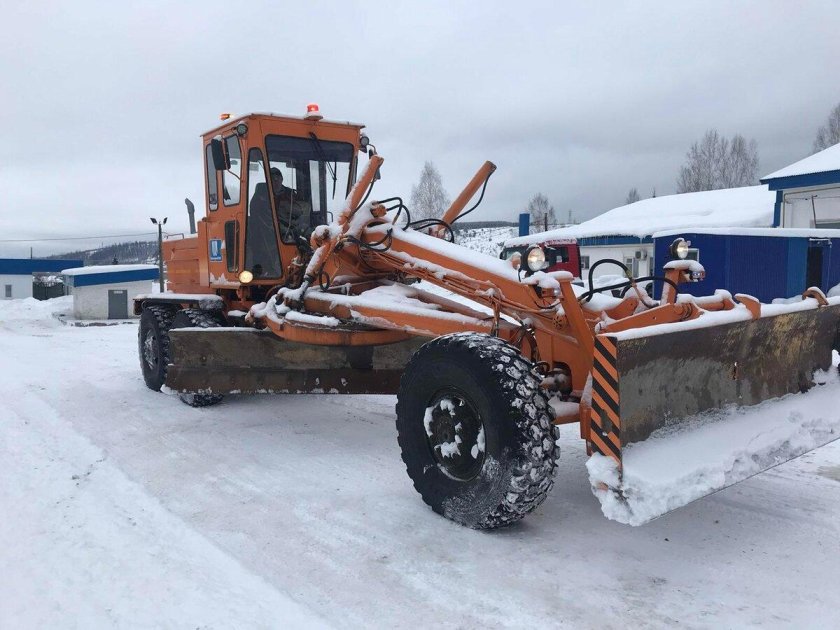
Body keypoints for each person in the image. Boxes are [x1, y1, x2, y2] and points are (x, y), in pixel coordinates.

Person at [270, 168, 309, 240]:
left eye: (278, 178)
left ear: (282, 179)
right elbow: (267, 220)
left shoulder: (290, 194)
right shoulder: (263, 197)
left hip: (294, 228)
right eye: (273, 179)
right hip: (275, 234)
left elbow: (302, 211)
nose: (276, 181)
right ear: (268, 180)